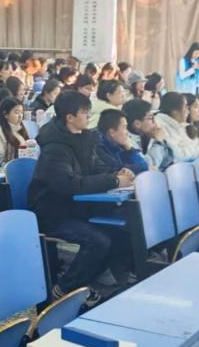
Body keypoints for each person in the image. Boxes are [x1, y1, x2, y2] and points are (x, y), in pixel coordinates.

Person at [28, 91, 131, 304]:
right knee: (98, 241)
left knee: (119, 230)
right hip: (53, 213)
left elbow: (96, 166)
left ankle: (89, 282)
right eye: (84, 113)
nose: (88, 117)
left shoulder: (84, 138)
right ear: (70, 117)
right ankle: (64, 290)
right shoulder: (55, 148)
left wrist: (118, 174)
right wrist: (113, 181)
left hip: (77, 207)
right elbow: (69, 185)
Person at [154, 92, 199, 161]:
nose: (188, 111)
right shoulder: (160, 126)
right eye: (185, 107)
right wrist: (197, 150)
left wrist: (195, 150)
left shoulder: (180, 125)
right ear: (174, 111)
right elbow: (180, 155)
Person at [123, 98, 175, 171]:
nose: (155, 123)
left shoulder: (148, 135)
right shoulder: (127, 142)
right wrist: (158, 143)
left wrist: (163, 142)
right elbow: (148, 166)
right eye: (151, 118)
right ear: (137, 124)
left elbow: (170, 160)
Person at [95, 109, 147, 176]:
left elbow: (143, 165)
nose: (127, 132)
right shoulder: (99, 148)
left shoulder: (117, 145)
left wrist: (129, 149)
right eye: (124, 127)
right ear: (112, 132)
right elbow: (121, 170)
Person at [0, 97, 30, 162]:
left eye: (22, 112)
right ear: (5, 114)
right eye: (16, 113)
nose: (20, 116)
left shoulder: (19, 129)